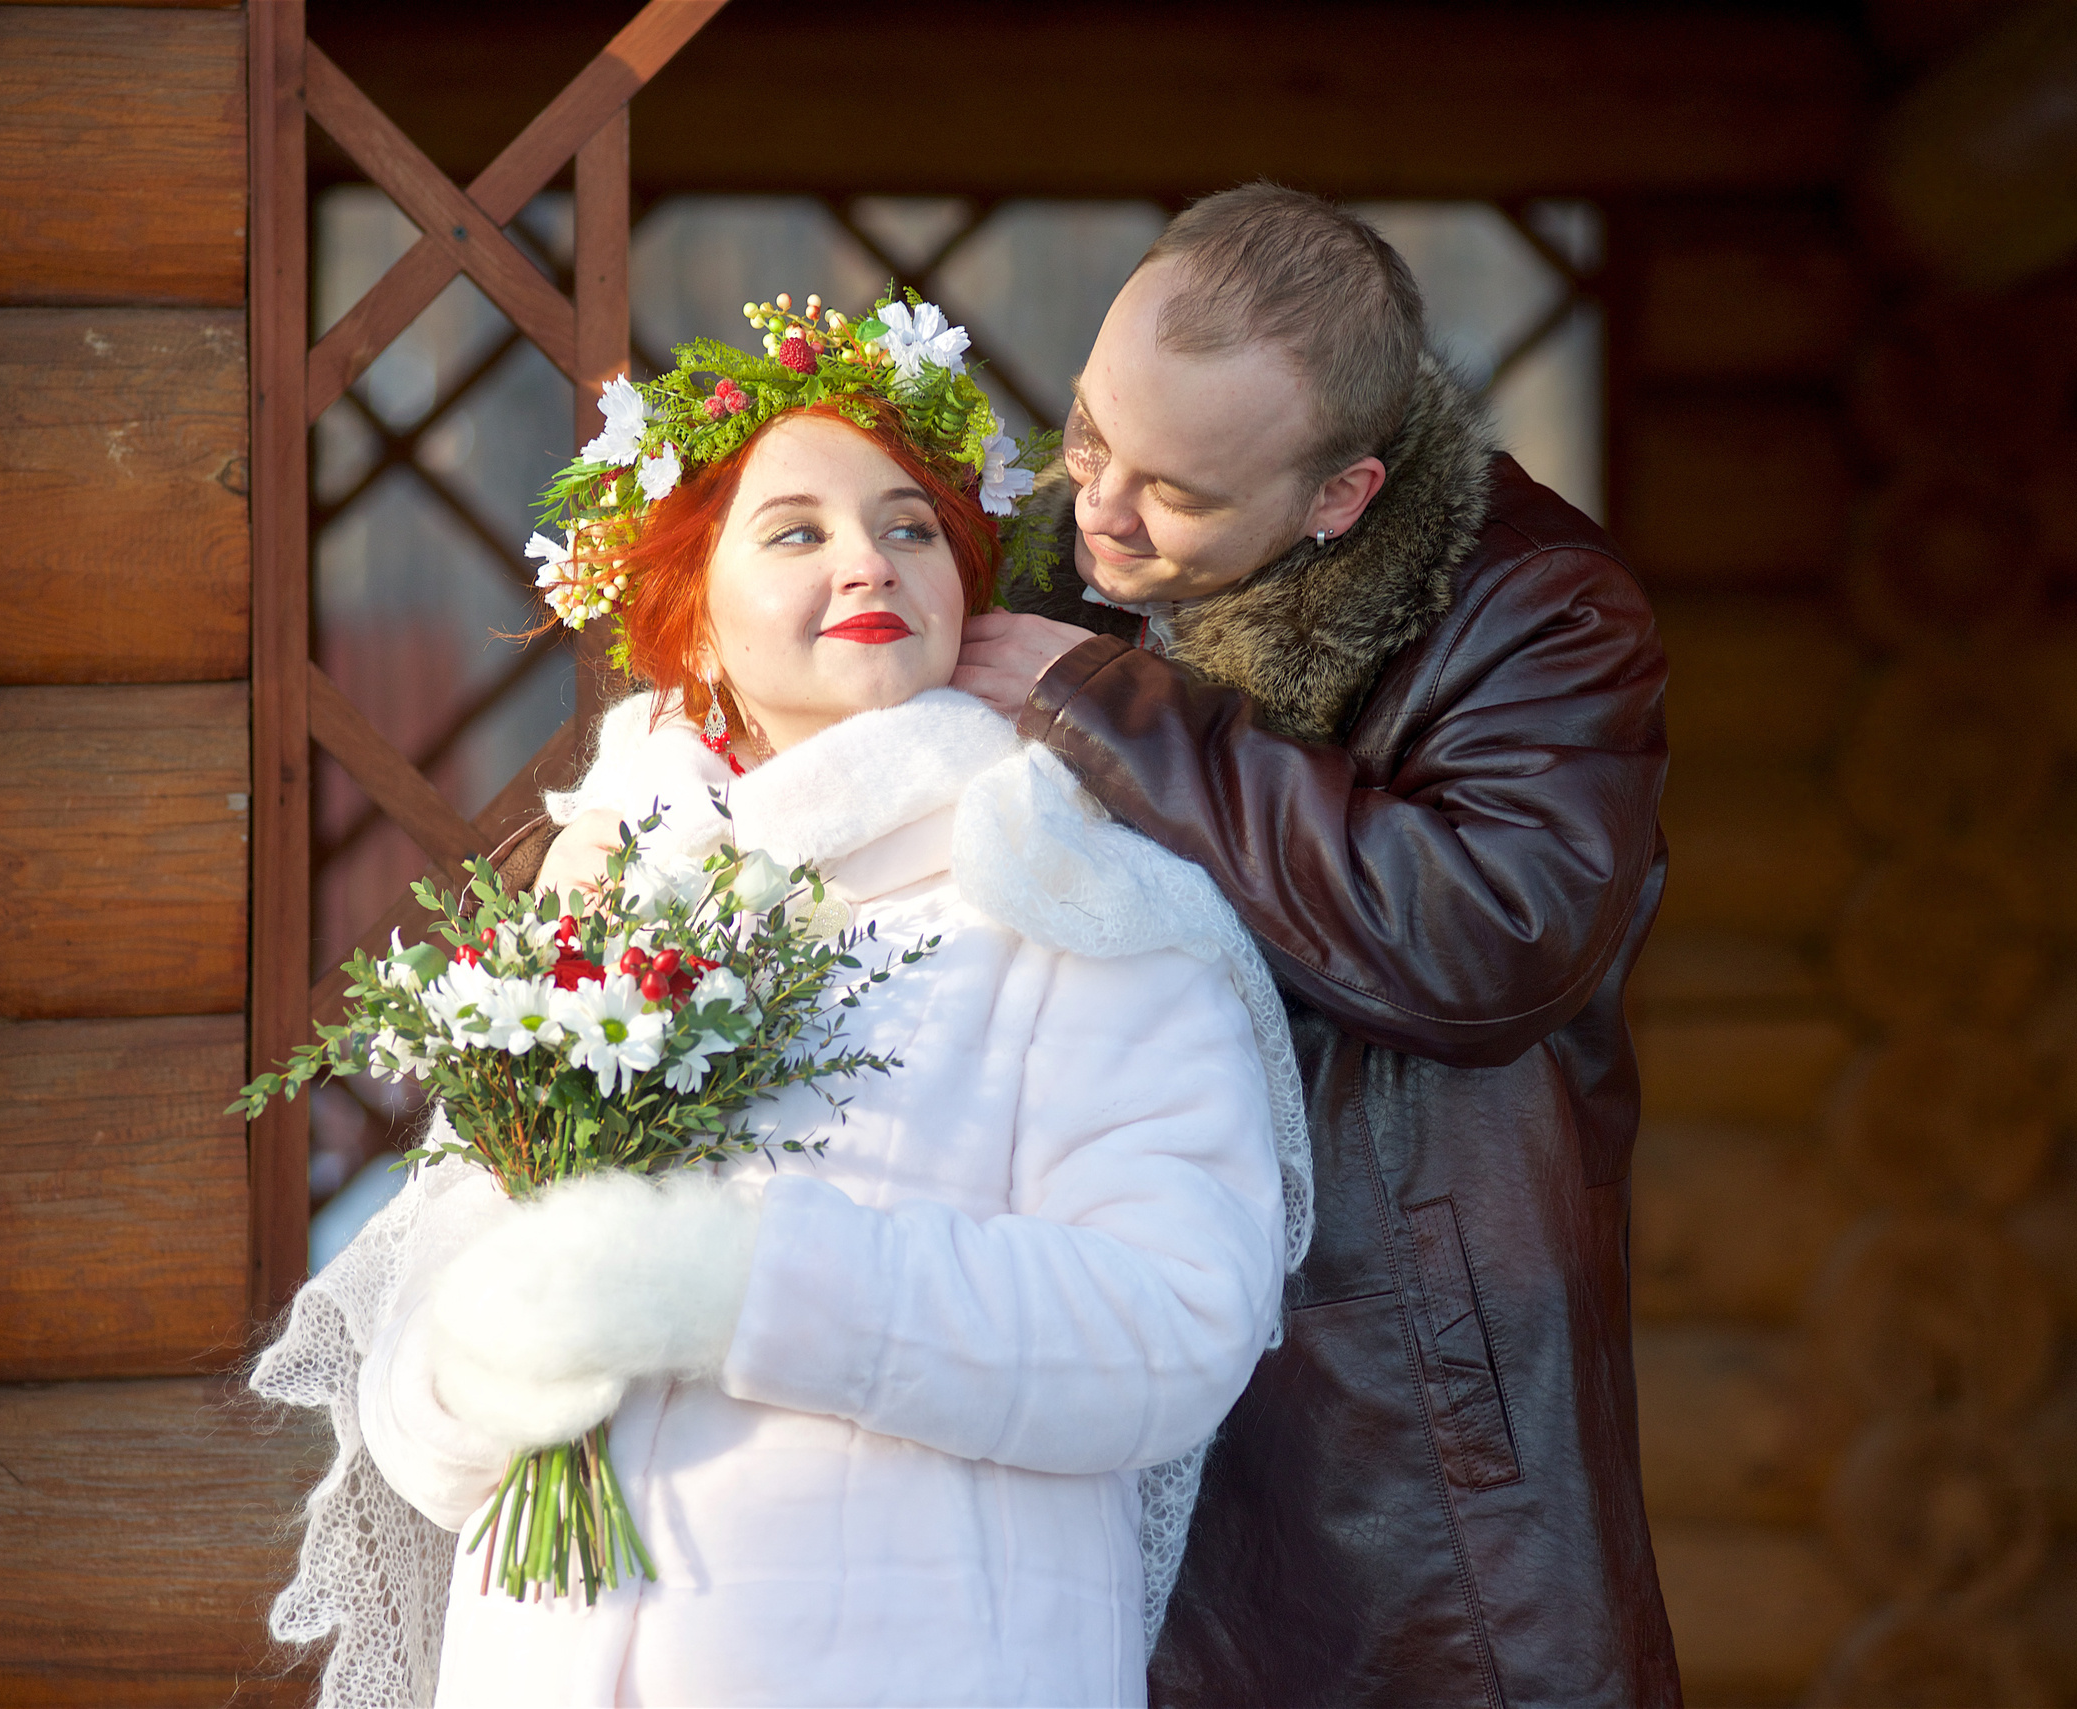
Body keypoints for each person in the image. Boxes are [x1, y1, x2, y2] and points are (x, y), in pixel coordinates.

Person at [253, 297, 1309, 1708]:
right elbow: (423, 1389)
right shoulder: (596, 901)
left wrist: (743, 1282)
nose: (868, 557)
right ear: (690, 614)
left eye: (911, 525)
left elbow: (1168, 1322)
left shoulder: (1072, 895)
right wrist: (485, 1358)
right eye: (797, 529)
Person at [953, 184, 1682, 1706]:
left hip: (1400, 1434)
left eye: (1177, 491)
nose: (1098, 508)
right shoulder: (1054, 558)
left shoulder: (1543, 609)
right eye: (1092, 434)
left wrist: (1118, 709)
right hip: (1087, 1366)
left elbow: (1490, 933)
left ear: (1343, 495)